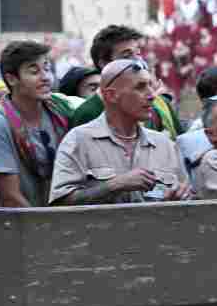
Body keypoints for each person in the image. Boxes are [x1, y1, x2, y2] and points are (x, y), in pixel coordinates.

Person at [50, 59, 191, 205]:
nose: (152, 95)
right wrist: (114, 185)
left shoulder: (165, 145)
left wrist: (178, 198)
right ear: (111, 95)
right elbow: (60, 203)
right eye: (140, 87)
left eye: (151, 85)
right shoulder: (78, 140)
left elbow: (187, 197)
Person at [0, 41, 73, 207]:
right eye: (34, 71)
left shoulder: (60, 113)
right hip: (24, 225)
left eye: (47, 69)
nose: (45, 78)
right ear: (12, 79)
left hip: (63, 219)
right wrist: (46, 229)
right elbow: (10, 197)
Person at [68, 25, 182, 138]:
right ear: (104, 63)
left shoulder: (159, 104)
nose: (137, 61)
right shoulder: (87, 113)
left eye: (137, 54)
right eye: (127, 56)